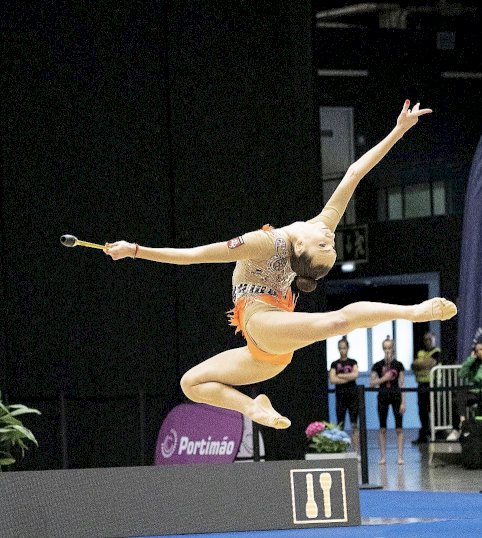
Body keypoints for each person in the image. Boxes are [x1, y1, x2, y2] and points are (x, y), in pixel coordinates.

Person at [104, 100, 457, 429]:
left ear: (301, 248)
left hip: (264, 322)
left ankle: (413, 312)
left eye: (326, 243)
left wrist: (135, 250)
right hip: (266, 347)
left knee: (336, 321)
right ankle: (253, 407)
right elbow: (352, 174)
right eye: (329, 243)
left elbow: (194, 255)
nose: (329, 235)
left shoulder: (275, 242)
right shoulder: (302, 233)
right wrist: (399, 130)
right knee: (191, 383)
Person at [446, 341, 482, 441]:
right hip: (473, 393)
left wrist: (481, 381)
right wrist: (471, 359)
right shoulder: (473, 365)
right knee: (458, 396)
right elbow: (461, 374)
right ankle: (460, 424)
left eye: (481, 349)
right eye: (476, 350)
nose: (479, 352)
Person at [370, 336, 406, 465]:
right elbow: (372, 383)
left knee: (399, 428)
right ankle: (383, 456)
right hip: (383, 396)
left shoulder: (399, 365)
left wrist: (403, 401)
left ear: (393, 349)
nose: (387, 351)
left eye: (389, 348)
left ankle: (400, 456)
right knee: (382, 428)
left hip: (396, 396)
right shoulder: (377, 365)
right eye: (385, 348)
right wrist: (383, 379)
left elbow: (402, 384)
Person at [329, 337, 360, 453]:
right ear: (338, 349)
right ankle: (340, 451)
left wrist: (340, 376)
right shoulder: (334, 364)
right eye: (341, 348)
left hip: (353, 396)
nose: (343, 350)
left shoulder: (353, 362)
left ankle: (356, 451)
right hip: (340, 396)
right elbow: (332, 379)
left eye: (344, 348)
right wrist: (348, 377)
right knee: (340, 424)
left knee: (354, 424)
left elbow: (355, 375)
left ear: (348, 348)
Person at [411, 331, 441, 444]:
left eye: (430, 339)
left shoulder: (437, 352)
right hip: (421, 385)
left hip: (433, 385)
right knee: (422, 411)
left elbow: (431, 363)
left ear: (434, 339)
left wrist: (420, 363)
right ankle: (424, 435)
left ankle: (436, 434)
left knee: (434, 410)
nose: (427, 341)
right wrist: (421, 363)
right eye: (425, 339)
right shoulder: (420, 352)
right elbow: (413, 365)